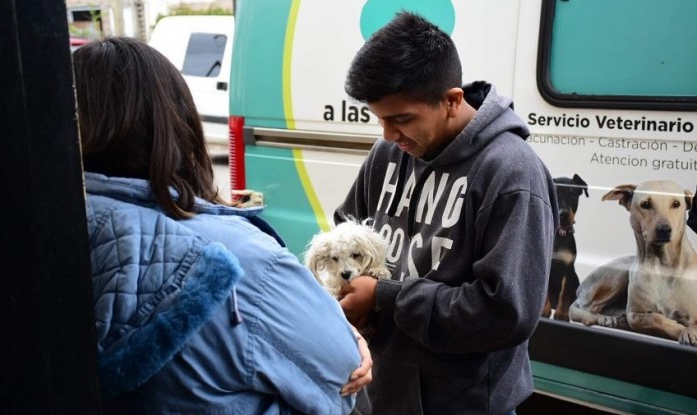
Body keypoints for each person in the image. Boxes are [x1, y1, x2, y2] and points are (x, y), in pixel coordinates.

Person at [73, 37, 371, 415]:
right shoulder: (239, 257)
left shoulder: (34, 232)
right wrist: (341, 333)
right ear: (176, 123)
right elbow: (344, 376)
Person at [335, 12, 558, 415]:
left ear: (452, 100)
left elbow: (506, 311)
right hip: (380, 393)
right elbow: (346, 234)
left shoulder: (511, 172)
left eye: (401, 119)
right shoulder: (388, 153)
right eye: (380, 118)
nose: (388, 135)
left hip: (464, 403)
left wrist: (385, 296)